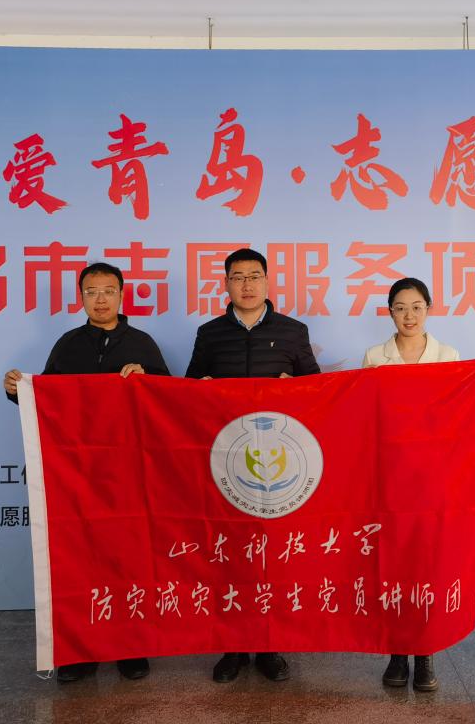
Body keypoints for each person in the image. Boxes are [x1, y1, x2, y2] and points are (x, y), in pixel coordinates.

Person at [3, 262, 170, 683]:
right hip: (76, 476)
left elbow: (170, 400)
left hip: (127, 474)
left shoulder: (143, 344)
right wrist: (18, 391)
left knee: (129, 559)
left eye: (108, 290)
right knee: (78, 561)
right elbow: (47, 400)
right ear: (81, 298)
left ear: (121, 295)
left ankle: (131, 648)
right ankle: (80, 650)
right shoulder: (68, 344)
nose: (100, 299)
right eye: (92, 291)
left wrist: (147, 379)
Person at [185, 247, 320, 682]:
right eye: (238, 277)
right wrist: (202, 387)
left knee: (273, 557)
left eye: (254, 276)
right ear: (225, 284)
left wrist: (294, 389)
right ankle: (233, 648)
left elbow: (318, 392)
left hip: (280, 466)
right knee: (230, 555)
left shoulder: (293, 331)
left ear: (267, 281)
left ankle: (269, 647)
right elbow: (187, 390)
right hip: (227, 461)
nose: (247, 285)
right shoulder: (210, 333)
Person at [362, 276, 475, 692]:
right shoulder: (375, 357)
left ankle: (426, 654)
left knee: (430, 565)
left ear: (429, 309)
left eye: (417, 307)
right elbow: (364, 416)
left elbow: (456, 417)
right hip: (390, 478)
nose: (409, 316)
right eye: (400, 308)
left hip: (435, 480)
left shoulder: (448, 356)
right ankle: (396, 652)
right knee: (394, 565)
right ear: (390, 312)